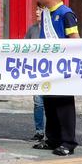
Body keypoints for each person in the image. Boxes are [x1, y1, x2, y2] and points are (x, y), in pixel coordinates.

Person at [32, 0, 79, 156]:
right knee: (49, 103)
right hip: (48, 66)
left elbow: (75, 39)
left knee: (64, 105)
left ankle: (68, 142)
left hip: (63, 66)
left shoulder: (66, 14)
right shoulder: (46, 14)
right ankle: (52, 139)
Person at [24, 9, 45, 142]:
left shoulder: (52, 29)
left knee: (51, 103)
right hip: (36, 71)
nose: (37, 13)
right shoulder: (32, 30)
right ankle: (39, 131)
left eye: (40, 10)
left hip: (52, 71)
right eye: (36, 10)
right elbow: (24, 47)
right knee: (38, 102)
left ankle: (53, 132)